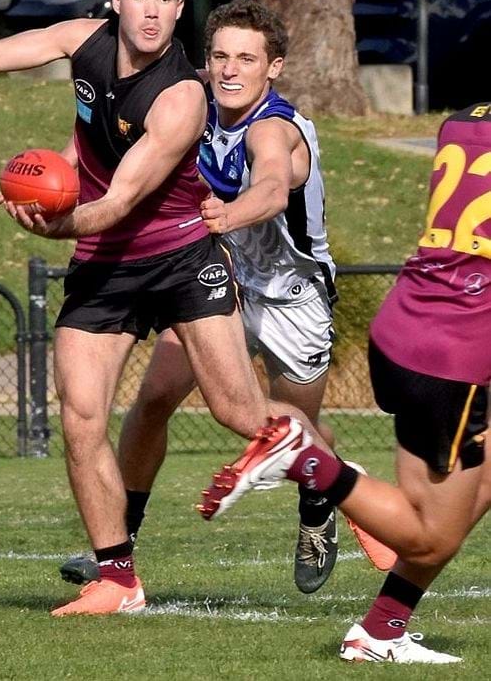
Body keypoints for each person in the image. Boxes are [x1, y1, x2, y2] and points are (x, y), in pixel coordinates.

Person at [0, 0, 330, 615]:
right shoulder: (83, 40)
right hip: (104, 266)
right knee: (81, 417)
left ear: (179, 8)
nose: (151, 12)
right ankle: (117, 579)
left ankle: (343, 489)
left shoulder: (181, 95)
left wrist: (51, 223)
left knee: (238, 411)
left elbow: (120, 202)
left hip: (181, 258)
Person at [56, 0, 394, 593]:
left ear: (275, 67)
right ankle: (117, 544)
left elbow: (268, 185)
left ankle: (325, 504)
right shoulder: (191, 105)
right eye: (219, 56)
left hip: (294, 298)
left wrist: (230, 213)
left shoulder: (277, 127)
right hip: (216, 277)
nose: (230, 70)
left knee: (288, 428)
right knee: (154, 399)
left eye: (246, 58)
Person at [197, 102, 491, 664]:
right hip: (453, 349)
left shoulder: (464, 120)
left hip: (416, 316)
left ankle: (382, 631)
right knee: (428, 534)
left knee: (476, 489)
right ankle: (306, 459)